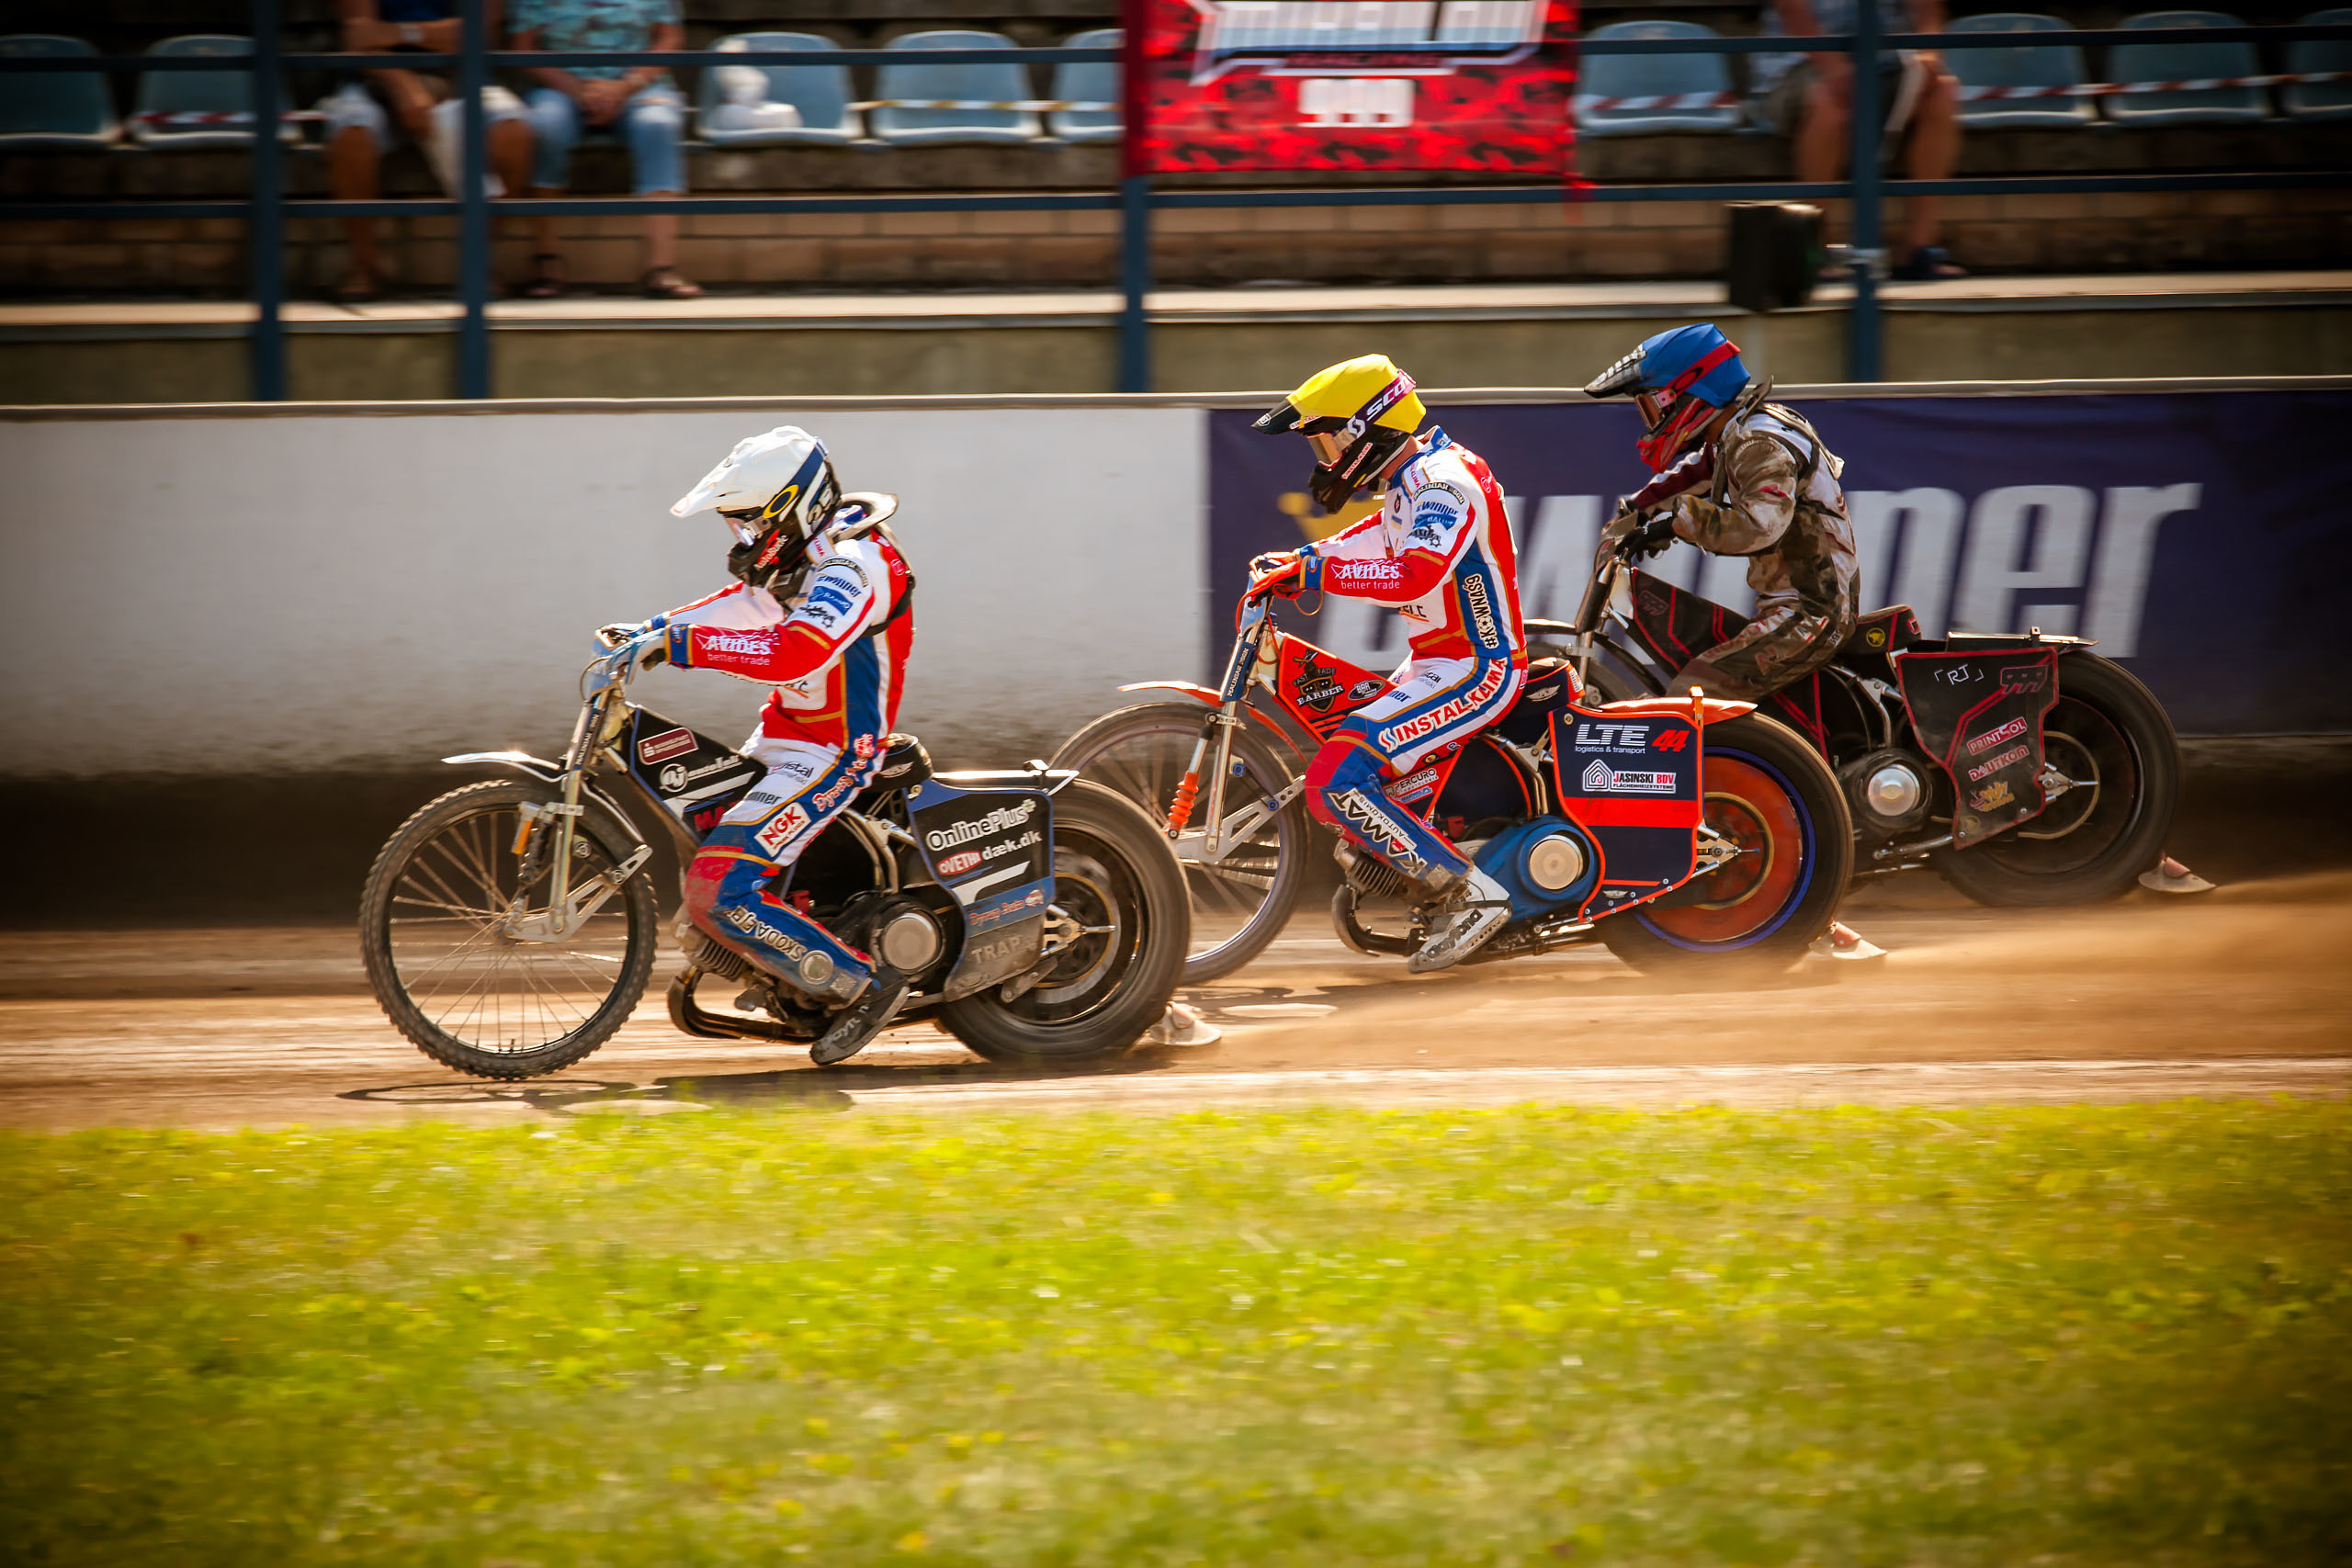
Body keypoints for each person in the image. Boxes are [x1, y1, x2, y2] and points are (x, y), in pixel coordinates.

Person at [597, 427, 917, 1064]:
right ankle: (787, 969)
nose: (741, 539)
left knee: (717, 888)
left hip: (838, 753)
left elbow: (795, 649)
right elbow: (743, 607)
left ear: (790, 509)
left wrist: (678, 645)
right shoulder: (796, 557)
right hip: (783, 738)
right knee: (707, 852)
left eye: (747, 524)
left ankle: (864, 984)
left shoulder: (855, 565)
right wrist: (651, 630)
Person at [1250, 355, 1528, 974]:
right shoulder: (1410, 482)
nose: (1324, 458)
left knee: (1335, 780)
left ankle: (1468, 893)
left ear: (1367, 427)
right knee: (1348, 769)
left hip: (1477, 669)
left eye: (1327, 438)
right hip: (1434, 662)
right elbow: (1377, 536)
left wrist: (1314, 570)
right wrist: (1296, 558)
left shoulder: (1444, 480)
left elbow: (1413, 571)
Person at [1584, 323, 1859, 703]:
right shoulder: (1738, 436)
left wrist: (1674, 524)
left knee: (1696, 696)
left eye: (1653, 406)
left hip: (1811, 612)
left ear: (1688, 395)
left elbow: (1759, 527)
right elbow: (1696, 472)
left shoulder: (1761, 444)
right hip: (1792, 606)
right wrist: (1635, 510)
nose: (1651, 422)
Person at [320, 0, 532, 301]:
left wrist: (395, 33)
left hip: (461, 77)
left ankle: (479, 261)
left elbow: (475, 37)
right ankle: (365, 263)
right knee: (351, 132)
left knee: (513, 128)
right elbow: (358, 38)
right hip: (377, 78)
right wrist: (406, 85)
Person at [1749, 0, 1965, 279]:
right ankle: (1816, 249)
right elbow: (1792, 10)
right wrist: (1837, 70)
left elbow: (1927, 7)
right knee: (1829, 101)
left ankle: (1918, 247)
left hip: (1887, 61)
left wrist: (1929, 54)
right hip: (1802, 62)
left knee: (1942, 93)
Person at [508, 0, 701, 299]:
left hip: (640, 85)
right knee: (545, 126)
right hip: (560, 86)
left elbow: (670, 37)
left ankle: (661, 268)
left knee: (658, 125)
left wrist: (624, 87)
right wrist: (578, 90)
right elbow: (523, 48)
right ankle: (546, 263)